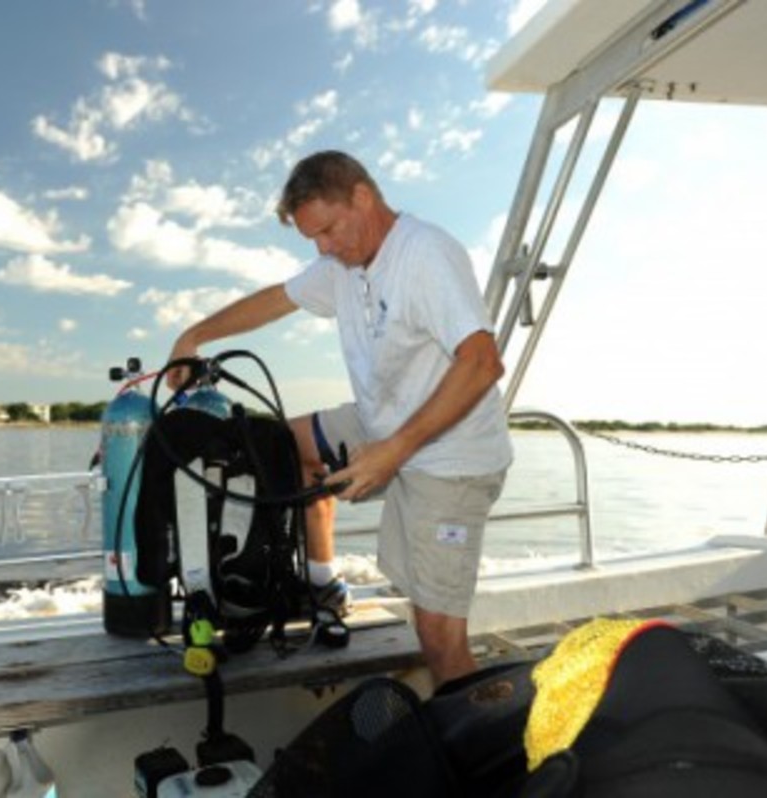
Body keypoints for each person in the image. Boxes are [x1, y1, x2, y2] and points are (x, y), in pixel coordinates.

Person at [166, 150, 512, 688]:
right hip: (381, 424)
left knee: (440, 639)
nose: (324, 248)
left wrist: (394, 451)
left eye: (328, 230)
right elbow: (275, 301)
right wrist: (194, 337)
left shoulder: (425, 254)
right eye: (313, 240)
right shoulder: (342, 268)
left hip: (452, 456)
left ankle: (490, 762)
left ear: (362, 197)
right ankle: (324, 585)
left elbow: (483, 362)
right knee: (278, 447)